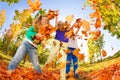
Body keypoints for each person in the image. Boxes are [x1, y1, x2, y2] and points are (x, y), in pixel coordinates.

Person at [45, 15, 70, 80]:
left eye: (62, 23)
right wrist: (56, 17)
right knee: (51, 55)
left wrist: (73, 23)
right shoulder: (57, 29)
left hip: (65, 44)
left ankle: (63, 78)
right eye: (60, 24)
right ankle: (45, 69)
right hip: (56, 42)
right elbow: (56, 24)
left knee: (62, 61)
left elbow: (71, 28)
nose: (61, 25)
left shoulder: (67, 30)